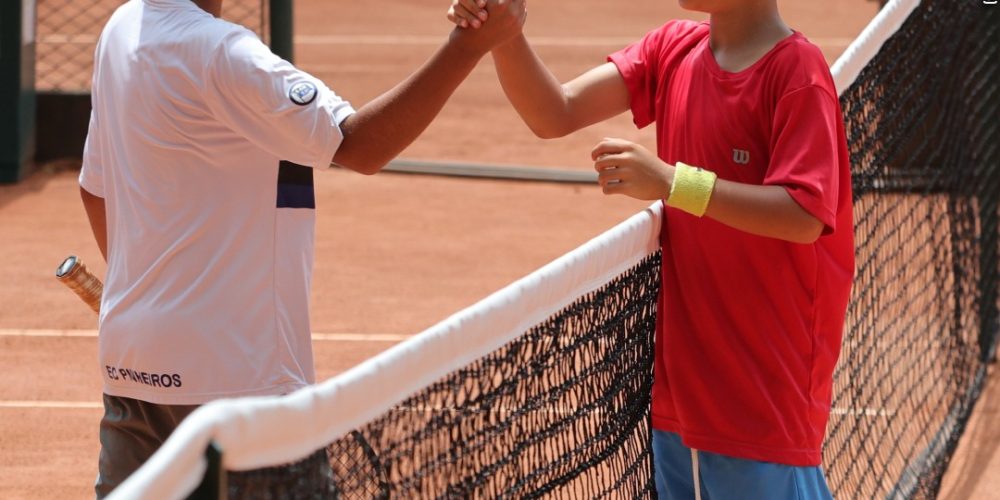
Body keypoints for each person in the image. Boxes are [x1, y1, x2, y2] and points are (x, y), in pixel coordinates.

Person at [79, 0, 526, 496]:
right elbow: (362, 145)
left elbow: (94, 189)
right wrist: (466, 48)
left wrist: (154, 299)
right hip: (240, 380)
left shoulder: (121, 29)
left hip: (131, 363)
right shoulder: (224, 54)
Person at [449, 0, 854, 498]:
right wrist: (506, 32)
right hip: (682, 398)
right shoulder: (672, 48)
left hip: (762, 402)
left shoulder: (797, 71)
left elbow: (804, 214)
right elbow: (556, 112)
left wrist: (673, 182)